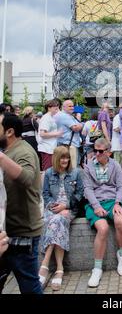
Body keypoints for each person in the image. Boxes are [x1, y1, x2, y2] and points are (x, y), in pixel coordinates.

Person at [0, 113, 43, 294]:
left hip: (22, 235)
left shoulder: (23, 151)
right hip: (6, 234)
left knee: (29, 287)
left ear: (9, 132)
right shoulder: (8, 151)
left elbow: (26, 177)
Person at [83, 138, 122, 287]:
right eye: (94, 150)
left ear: (108, 152)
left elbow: (121, 186)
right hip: (94, 202)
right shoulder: (89, 166)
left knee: (120, 221)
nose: (96, 153)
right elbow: (87, 189)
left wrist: (117, 203)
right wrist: (95, 206)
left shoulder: (115, 165)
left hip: (112, 201)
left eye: (100, 151)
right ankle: (97, 268)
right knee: (103, 228)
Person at [38, 146, 84, 290]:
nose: (65, 160)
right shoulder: (49, 173)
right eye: (62, 157)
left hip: (69, 209)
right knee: (56, 221)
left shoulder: (76, 173)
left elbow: (80, 194)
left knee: (57, 220)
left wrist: (66, 206)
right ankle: (59, 269)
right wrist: (54, 207)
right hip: (52, 210)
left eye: (67, 157)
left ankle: (44, 265)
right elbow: (45, 195)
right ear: (56, 158)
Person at [55, 100, 83, 167]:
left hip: (65, 144)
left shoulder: (64, 115)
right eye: (70, 106)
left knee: (65, 166)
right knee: (72, 166)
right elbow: (75, 128)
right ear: (63, 107)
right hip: (69, 145)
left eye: (73, 106)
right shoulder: (65, 116)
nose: (72, 108)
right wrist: (81, 124)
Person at [38, 99, 63, 172]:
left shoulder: (50, 117)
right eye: (56, 108)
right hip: (46, 148)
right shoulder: (46, 118)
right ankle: (45, 183)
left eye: (58, 108)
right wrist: (57, 133)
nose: (57, 110)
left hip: (50, 148)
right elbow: (42, 134)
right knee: (47, 171)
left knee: (50, 170)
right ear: (49, 108)